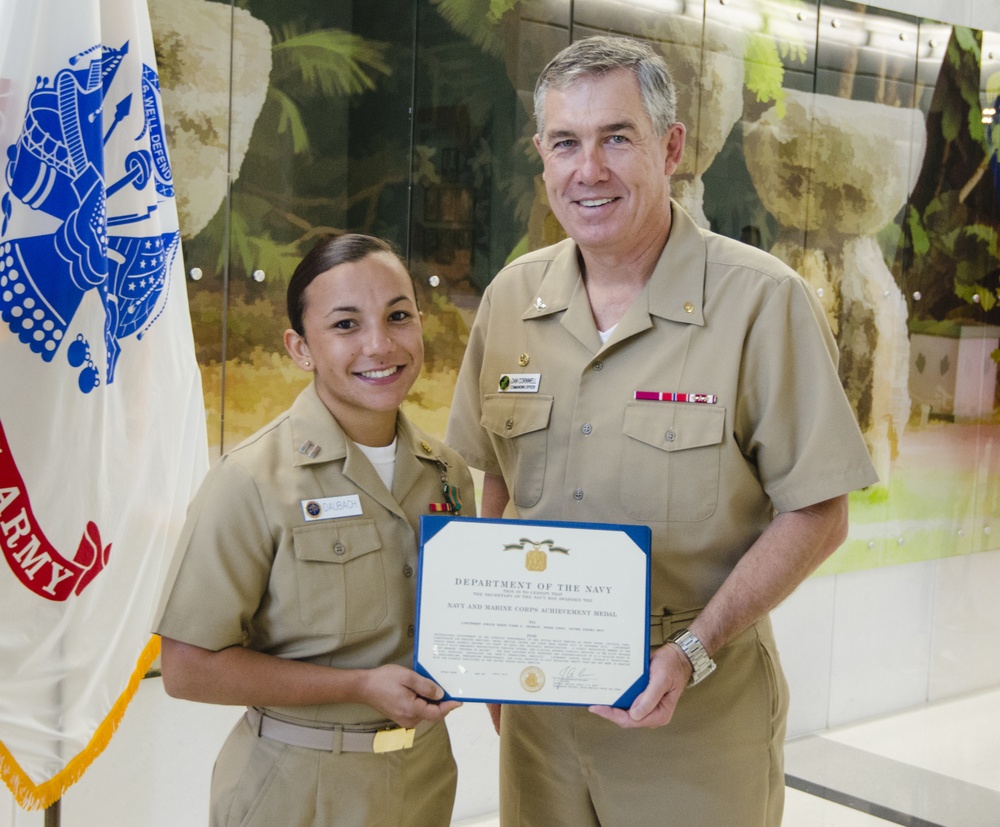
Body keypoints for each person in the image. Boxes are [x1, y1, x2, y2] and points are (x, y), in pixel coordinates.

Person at [445, 35, 879, 827]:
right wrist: (497, 645)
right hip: (542, 715)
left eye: (617, 137)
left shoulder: (761, 303)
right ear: (542, 158)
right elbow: (497, 480)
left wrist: (694, 650)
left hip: (696, 709)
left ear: (670, 147)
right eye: (566, 143)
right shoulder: (512, 299)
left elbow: (820, 512)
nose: (590, 169)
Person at [154, 233, 475, 827]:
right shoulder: (251, 480)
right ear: (301, 349)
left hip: (424, 781)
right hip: (297, 788)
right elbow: (187, 667)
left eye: (398, 316)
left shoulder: (447, 474)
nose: (380, 345)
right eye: (346, 325)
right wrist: (358, 687)